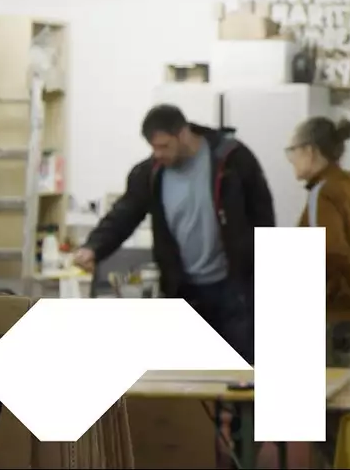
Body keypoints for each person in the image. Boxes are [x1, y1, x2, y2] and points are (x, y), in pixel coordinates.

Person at [73, 105, 275, 363]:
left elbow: (263, 215)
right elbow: (125, 213)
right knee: (193, 376)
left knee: (241, 374)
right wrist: (94, 247)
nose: (159, 154)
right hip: (185, 291)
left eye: (164, 146)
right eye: (153, 148)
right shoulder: (151, 174)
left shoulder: (233, 159)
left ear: (183, 133)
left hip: (235, 289)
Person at [285, 117, 350, 358]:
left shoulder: (323, 192)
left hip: (339, 313)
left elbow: (328, 254)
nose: (291, 159)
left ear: (310, 150)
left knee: (325, 390)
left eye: (292, 151)